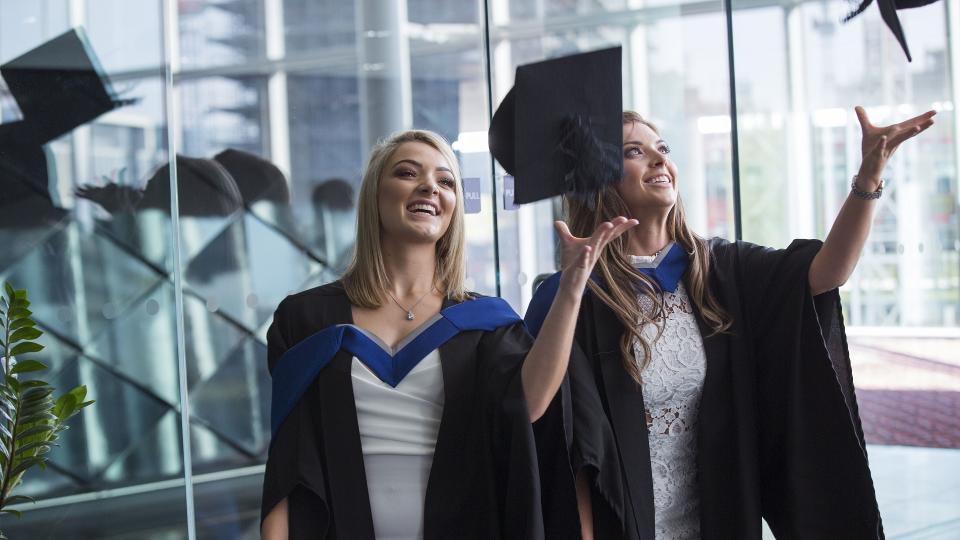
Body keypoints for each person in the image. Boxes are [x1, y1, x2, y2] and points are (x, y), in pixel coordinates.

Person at [525, 107, 936, 539]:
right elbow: (563, 442)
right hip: (622, 525)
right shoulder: (575, 295)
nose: (659, 159)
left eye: (662, 148)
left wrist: (868, 178)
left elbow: (825, 272)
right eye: (634, 151)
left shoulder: (718, 270)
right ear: (600, 180)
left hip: (715, 517)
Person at [260, 129, 635, 539]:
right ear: (374, 195)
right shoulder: (306, 320)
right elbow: (288, 468)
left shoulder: (482, 323)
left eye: (446, 181)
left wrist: (572, 285)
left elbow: (530, 402)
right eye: (407, 173)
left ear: (454, 207)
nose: (429, 187)